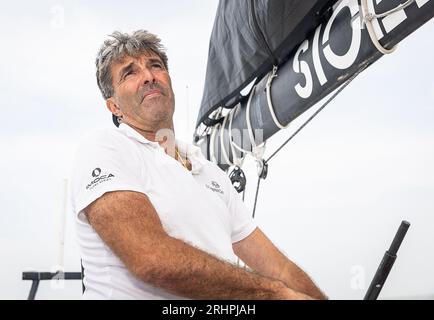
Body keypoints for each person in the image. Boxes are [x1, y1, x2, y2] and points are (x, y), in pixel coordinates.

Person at [70, 30, 327, 300]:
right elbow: (151, 259)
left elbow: (279, 267)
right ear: (114, 107)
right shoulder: (105, 148)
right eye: (129, 73)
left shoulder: (210, 172)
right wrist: (273, 294)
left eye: (155, 65)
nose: (148, 76)